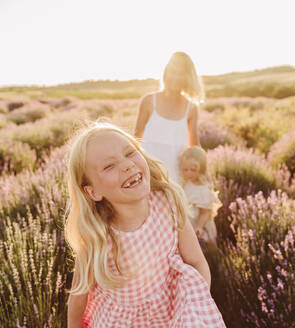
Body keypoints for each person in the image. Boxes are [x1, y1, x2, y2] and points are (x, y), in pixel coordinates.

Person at [65, 122, 225, 328]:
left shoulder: (168, 202)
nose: (126, 165)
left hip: (171, 314)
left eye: (130, 153)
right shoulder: (96, 234)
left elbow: (196, 262)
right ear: (93, 192)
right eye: (109, 166)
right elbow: (78, 298)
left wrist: (193, 308)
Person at [134, 51, 204, 183]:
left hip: (177, 179)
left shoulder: (191, 108)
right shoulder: (149, 101)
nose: (176, 77)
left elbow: (194, 146)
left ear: (188, 77)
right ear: (166, 72)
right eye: (173, 71)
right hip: (150, 176)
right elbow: (135, 140)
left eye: (181, 73)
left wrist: (203, 177)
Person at [179, 146, 221, 246]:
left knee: (202, 250)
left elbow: (205, 212)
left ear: (201, 170)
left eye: (193, 170)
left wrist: (199, 227)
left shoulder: (202, 189)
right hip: (189, 224)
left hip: (199, 226)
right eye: (185, 169)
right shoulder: (187, 183)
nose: (189, 173)